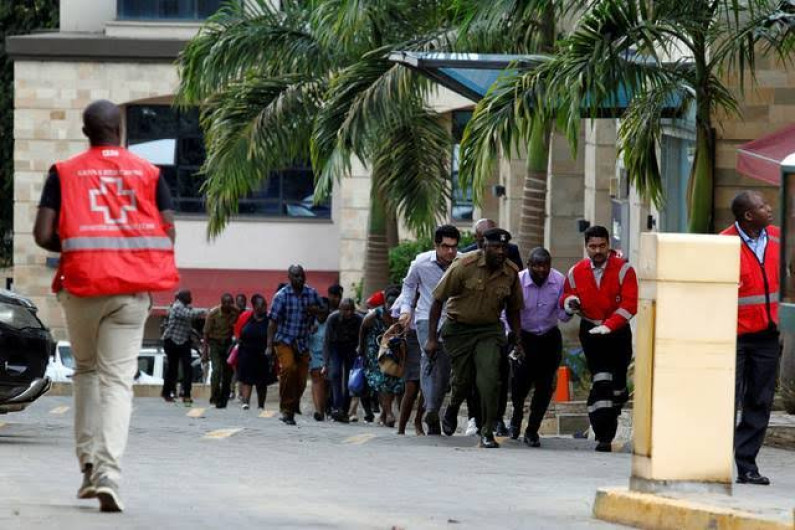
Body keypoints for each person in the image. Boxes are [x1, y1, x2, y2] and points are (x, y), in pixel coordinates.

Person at [33, 99, 179, 512]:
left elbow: (43, 233)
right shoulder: (149, 174)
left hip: (82, 286)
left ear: (87, 132)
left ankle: (87, 466)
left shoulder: (64, 173)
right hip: (131, 290)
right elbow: (168, 232)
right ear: (120, 131)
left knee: (87, 371)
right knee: (118, 382)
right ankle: (108, 474)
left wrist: (83, 247)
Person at [431, 228, 524, 449]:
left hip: (489, 331)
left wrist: (518, 339)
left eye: (504, 248)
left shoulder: (511, 272)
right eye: (495, 247)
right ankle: (453, 406)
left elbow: (514, 309)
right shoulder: (464, 265)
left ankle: (487, 431)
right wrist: (431, 338)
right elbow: (437, 300)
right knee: (463, 381)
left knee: (489, 379)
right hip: (459, 329)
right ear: (484, 246)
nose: (501, 252)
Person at [721, 191, 780, 485]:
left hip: (768, 336)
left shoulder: (779, 238)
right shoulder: (724, 244)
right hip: (734, 336)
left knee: (760, 400)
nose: (769, 209)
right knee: (725, 401)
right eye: (762, 206)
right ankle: (715, 463)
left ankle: (747, 466)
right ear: (747, 215)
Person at [561, 225, 637, 452]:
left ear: (608, 245)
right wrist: (570, 302)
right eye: (592, 247)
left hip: (618, 333)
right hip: (591, 332)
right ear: (586, 247)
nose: (597, 251)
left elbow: (630, 303)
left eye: (602, 246)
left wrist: (610, 325)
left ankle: (614, 405)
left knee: (618, 385)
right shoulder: (576, 271)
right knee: (601, 380)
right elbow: (566, 294)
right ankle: (604, 434)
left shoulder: (624, 270)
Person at [460, 218, 521, 435]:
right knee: (472, 374)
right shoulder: (466, 256)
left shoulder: (510, 253)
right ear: (478, 241)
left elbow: (516, 289)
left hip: (499, 323)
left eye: (499, 245)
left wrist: (515, 333)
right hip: (471, 324)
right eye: (485, 241)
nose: (497, 250)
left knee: (499, 375)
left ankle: (497, 419)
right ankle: (474, 417)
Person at [399, 224, 460, 435]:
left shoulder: (462, 263)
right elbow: (408, 286)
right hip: (426, 317)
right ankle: (432, 410)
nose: (450, 252)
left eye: (453, 247)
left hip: (453, 319)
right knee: (429, 358)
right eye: (445, 247)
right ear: (436, 245)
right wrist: (406, 310)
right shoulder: (421, 263)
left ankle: (432, 412)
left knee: (444, 370)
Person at [508, 247, 571, 447]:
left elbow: (563, 315)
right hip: (523, 338)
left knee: (545, 387)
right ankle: (516, 415)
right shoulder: (517, 280)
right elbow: (506, 311)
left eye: (545, 265)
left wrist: (570, 309)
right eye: (536, 265)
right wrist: (510, 335)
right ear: (529, 265)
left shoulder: (559, 280)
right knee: (519, 385)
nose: (541, 270)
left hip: (549, 338)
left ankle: (532, 430)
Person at [267, 265, 323, 425]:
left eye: (302, 276)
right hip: (284, 340)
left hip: (303, 341)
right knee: (289, 368)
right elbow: (272, 322)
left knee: (301, 379)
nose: (300, 279)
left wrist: (316, 311)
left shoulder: (311, 293)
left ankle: (293, 403)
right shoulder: (281, 296)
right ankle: (287, 409)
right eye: (296, 276)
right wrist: (269, 346)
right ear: (289, 278)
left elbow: (323, 309)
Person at [361, 287, 405, 427]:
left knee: (394, 380)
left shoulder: (402, 314)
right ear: (384, 303)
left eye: (394, 304)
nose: (392, 308)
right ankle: (389, 413)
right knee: (382, 381)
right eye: (389, 304)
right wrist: (361, 347)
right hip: (375, 350)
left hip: (393, 350)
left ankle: (384, 413)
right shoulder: (374, 314)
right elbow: (363, 328)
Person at [324, 298, 365, 422]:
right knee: (335, 374)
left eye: (351, 309)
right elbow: (327, 342)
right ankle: (336, 407)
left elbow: (363, 337)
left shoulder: (359, 320)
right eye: (346, 310)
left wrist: (361, 351)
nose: (349, 313)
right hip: (336, 348)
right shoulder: (332, 319)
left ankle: (344, 410)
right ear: (340, 309)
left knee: (350, 380)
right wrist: (326, 363)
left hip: (352, 349)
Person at [162, 289, 205, 405]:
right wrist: (205, 311)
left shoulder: (185, 306)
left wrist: (196, 334)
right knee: (173, 369)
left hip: (184, 341)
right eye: (189, 296)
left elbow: (187, 321)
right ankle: (167, 393)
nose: (191, 297)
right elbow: (189, 315)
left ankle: (186, 394)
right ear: (182, 297)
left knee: (188, 368)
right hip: (171, 340)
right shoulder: (177, 307)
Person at [394, 292, 426, 436]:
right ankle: (402, 426)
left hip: (430, 335)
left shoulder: (432, 289)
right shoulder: (407, 295)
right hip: (411, 339)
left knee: (426, 387)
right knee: (411, 387)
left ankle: (418, 421)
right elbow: (395, 315)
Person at [234, 294, 272, 410]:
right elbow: (237, 332)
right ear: (254, 306)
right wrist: (238, 340)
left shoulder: (269, 319)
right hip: (246, 352)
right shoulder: (246, 317)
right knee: (246, 379)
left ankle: (261, 404)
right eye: (260, 305)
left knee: (262, 381)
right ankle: (246, 401)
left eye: (265, 304)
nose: (263, 307)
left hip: (262, 353)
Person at [203, 293, 239, 408]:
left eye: (230, 302)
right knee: (217, 370)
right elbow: (206, 334)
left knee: (228, 373)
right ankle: (215, 396)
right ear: (221, 302)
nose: (227, 305)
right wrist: (204, 352)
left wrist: (234, 308)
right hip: (215, 343)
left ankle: (224, 398)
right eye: (225, 302)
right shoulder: (213, 314)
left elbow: (240, 314)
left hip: (228, 344)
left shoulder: (234, 312)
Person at [308, 299, 330, 421]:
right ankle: (318, 411)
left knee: (326, 384)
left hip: (328, 356)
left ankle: (323, 408)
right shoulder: (310, 322)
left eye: (324, 308)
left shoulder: (331, 322)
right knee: (317, 378)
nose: (321, 311)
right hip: (313, 355)